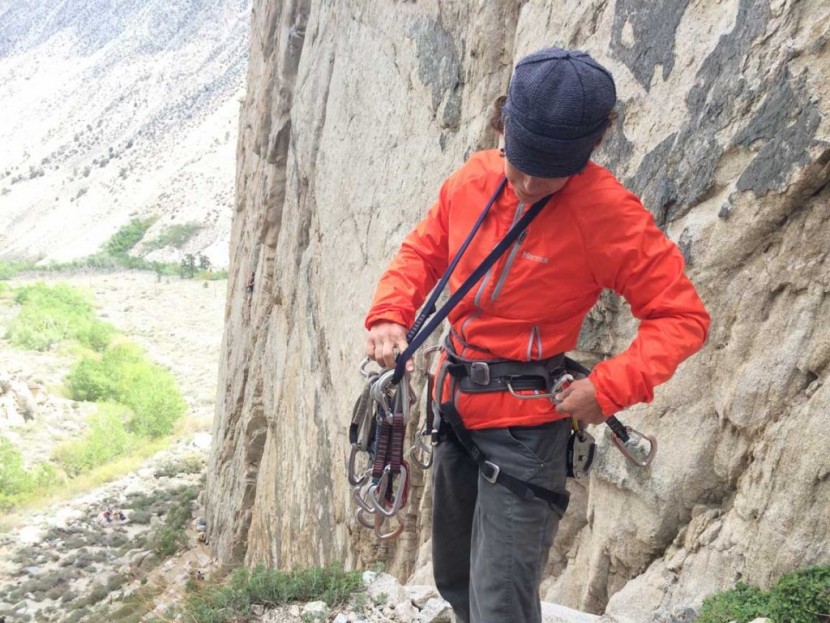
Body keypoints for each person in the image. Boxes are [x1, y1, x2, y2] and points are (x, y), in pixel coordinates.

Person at [363, 47, 710, 623]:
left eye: (546, 173)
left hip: (525, 430)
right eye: (519, 162)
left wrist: (609, 388)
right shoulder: (475, 179)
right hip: (454, 406)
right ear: (504, 128)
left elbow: (682, 316)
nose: (525, 183)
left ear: (587, 153)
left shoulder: (607, 215)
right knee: (455, 579)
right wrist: (389, 314)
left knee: (501, 604)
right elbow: (423, 251)